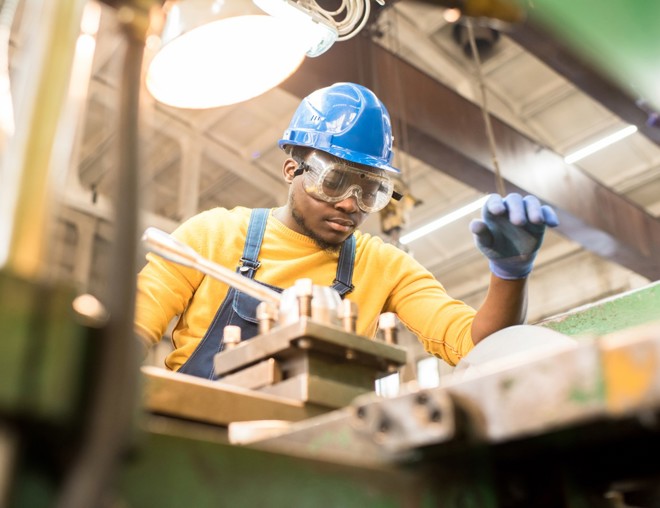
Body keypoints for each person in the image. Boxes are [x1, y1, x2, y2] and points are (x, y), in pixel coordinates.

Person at [134, 82, 559, 379]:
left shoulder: (384, 266)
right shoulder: (210, 237)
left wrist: (509, 276)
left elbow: (476, 346)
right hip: (199, 437)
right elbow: (130, 333)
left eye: (371, 190)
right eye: (334, 180)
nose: (350, 204)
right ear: (291, 169)